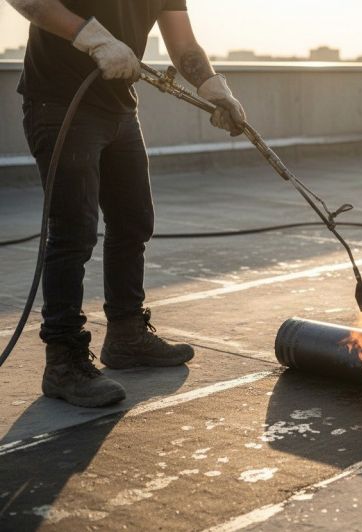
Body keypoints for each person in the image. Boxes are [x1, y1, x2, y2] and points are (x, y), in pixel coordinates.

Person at [8, 0, 247, 407]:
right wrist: (92, 38)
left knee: (134, 221)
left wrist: (211, 86)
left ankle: (126, 335)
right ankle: (62, 360)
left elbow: (183, 43)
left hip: (118, 106)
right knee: (74, 233)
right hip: (59, 103)